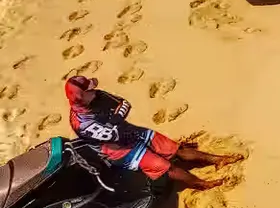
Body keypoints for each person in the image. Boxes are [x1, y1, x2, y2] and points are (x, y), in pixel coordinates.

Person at [64, 76, 237, 189]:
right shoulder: (81, 123)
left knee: (176, 149)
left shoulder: (97, 96)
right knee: (167, 167)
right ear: (82, 97)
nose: (95, 89)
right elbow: (113, 135)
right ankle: (202, 184)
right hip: (120, 152)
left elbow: (124, 104)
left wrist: (115, 119)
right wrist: (116, 119)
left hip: (130, 132)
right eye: (90, 89)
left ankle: (218, 160)